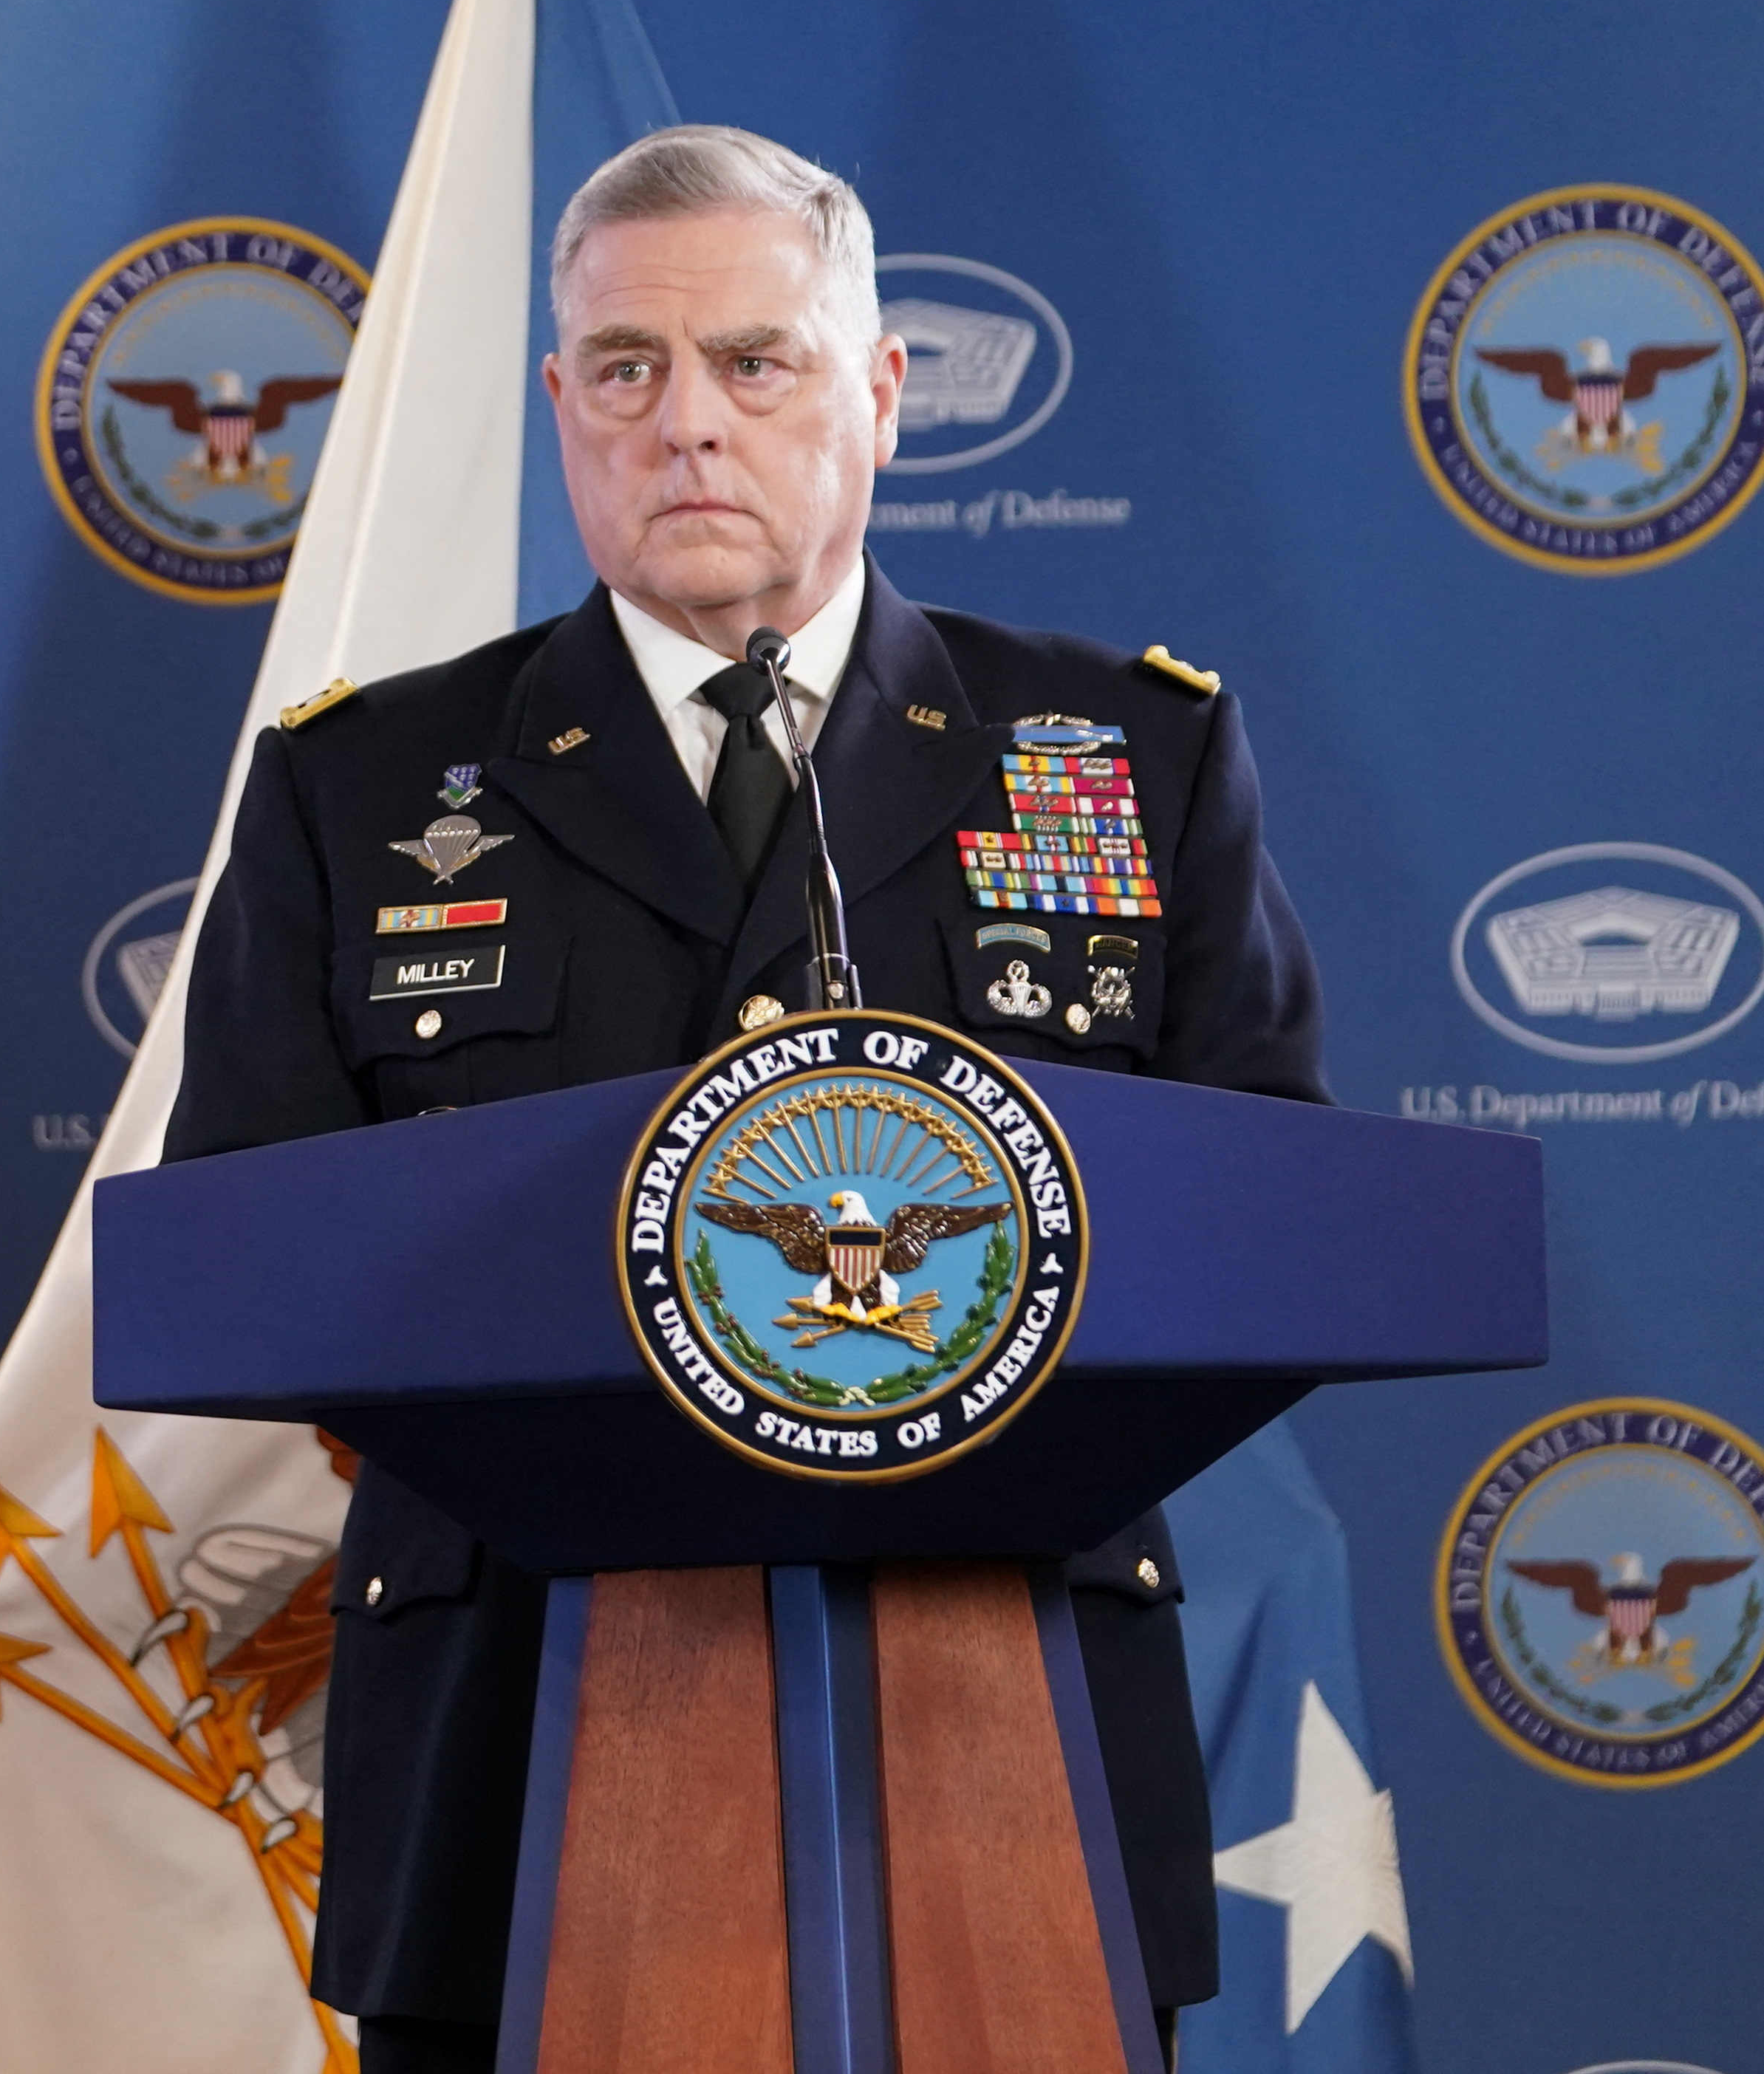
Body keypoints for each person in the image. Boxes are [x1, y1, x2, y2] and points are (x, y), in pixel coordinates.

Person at [168, 126, 1310, 2064]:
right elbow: (240, 1260)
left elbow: (1274, 1219)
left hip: (1007, 1707)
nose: (684, 421)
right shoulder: (363, 791)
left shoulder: (1125, 754)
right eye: (625, 367)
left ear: (876, 393)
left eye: (754, 362)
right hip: (509, 1738)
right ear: (560, 406)